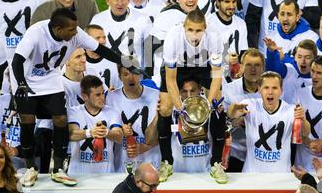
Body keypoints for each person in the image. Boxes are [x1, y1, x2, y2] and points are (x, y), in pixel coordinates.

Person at [11, 8, 138, 187]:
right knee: (28, 121)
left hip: (50, 78)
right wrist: (22, 84)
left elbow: (101, 49)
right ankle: (31, 168)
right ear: (57, 29)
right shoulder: (35, 34)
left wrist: (125, 62)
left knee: (61, 118)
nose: (75, 32)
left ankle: (58, 170)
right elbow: (17, 61)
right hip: (25, 78)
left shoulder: (75, 33)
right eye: (70, 29)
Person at [157, 10, 226, 183]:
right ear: (184, 27)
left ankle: (216, 163)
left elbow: (217, 74)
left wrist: (209, 104)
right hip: (178, 69)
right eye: (191, 30)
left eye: (198, 31)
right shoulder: (173, 37)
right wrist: (180, 108)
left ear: (205, 28)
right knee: (165, 108)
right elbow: (171, 79)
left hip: (203, 67)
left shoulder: (215, 35)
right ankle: (167, 161)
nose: (194, 35)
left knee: (218, 108)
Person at [227, 72, 310, 173]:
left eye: (275, 88)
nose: (270, 92)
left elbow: (305, 134)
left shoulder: (291, 110)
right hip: (251, 174)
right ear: (259, 89)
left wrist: (303, 120)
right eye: (266, 87)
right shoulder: (250, 105)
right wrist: (232, 110)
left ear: (281, 90)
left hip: (281, 177)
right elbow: (231, 116)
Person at [105, 59, 159, 173]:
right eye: (126, 74)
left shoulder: (156, 96)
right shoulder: (110, 98)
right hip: (122, 166)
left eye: (134, 72)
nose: (131, 77)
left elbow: (166, 133)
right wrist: (119, 130)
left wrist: (146, 147)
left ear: (140, 74)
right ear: (119, 77)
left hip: (152, 164)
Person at [68, 75, 123, 175]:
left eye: (103, 93)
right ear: (85, 96)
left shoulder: (113, 112)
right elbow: (70, 134)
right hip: (78, 175)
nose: (102, 97)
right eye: (98, 95)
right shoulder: (74, 112)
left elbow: (119, 137)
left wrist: (106, 132)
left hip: (106, 175)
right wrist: (90, 133)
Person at [148, 0, 200, 85]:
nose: (191, 0)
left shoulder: (199, 18)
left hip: (189, 78)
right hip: (166, 78)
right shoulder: (167, 16)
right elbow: (152, 45)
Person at [222, 48, 265, 172]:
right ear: (240, 67)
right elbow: (219, 124)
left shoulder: (270, 91)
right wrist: (232, 120)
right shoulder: (228, 90)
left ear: (263, 68)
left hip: (263, 155)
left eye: (257, 65)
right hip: (235, 155)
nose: (253, 69)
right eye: (248, 65)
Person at [90, 0, 152, 68]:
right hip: (107, 73)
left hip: (135, 73)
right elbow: (91, 48)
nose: (120, 3)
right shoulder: (98, 20)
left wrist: (148, 71)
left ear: (128, 0)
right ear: (108, 1)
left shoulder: (143, 19)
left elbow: (149, 49)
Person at [206, 0, 248, 82]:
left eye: (234, 2)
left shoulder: (241, 23)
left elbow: (243, 53)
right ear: (218, 3)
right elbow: (203, 54)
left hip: (236, 77)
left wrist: (242, 67)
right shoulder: (208, 23)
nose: (232, 6)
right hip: (214, 74)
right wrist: (224, 58)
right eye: (227, 2)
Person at [265, 39, 317, 103]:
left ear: (314, 58)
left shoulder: (321, 77)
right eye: (299, 57)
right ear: (295, 57)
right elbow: (273, 67)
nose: (303, 61)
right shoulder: (288, 70)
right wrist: (272, 52)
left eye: (307, 57)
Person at [84, 25, 122, 91]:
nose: (102, 41)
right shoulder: (76, 60)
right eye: (98, 38)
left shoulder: (113, 59)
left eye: (104, 38)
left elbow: (121, 86)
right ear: (87, 40)